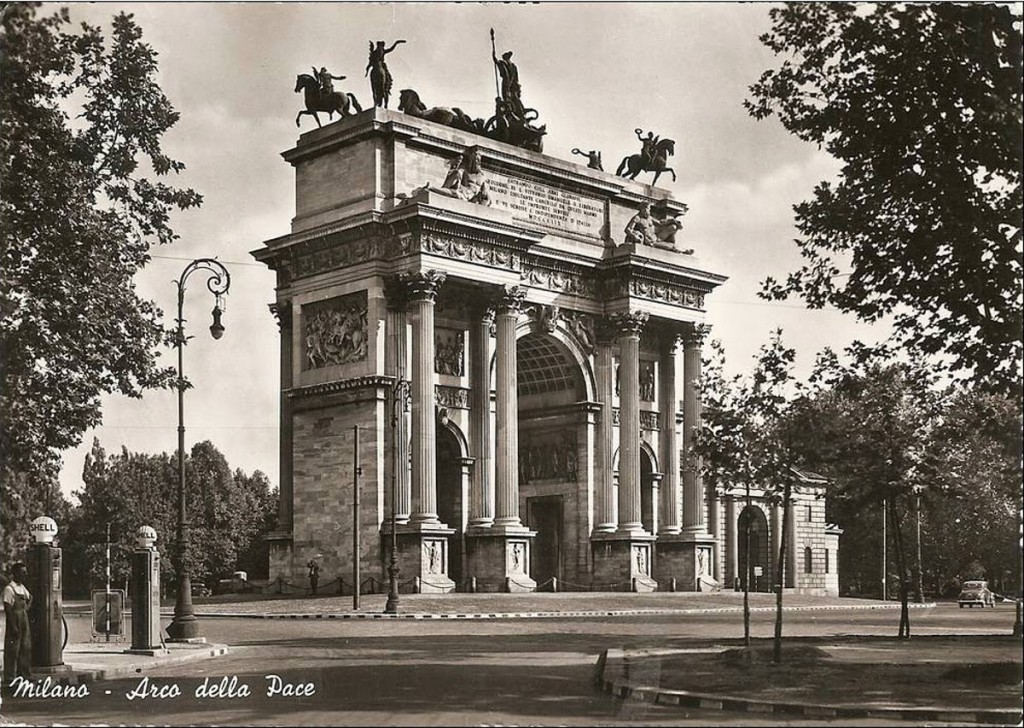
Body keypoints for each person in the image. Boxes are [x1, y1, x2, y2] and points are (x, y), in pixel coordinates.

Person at [3, 562, 32, 689]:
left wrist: (27, 608)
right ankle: (10, 676)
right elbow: (8, 607)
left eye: (25, 573)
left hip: (23, 617)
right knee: (12, 649)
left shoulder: (22, 587)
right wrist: (13, 625)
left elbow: (30, 597)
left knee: (25, 647)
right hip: (14, 618)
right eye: (22, 573)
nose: (24, 575)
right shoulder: (10, 588)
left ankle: (24, 674)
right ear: (15, 574)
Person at [365, 39, 406, 108]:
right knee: (378, 89)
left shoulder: (377, 52)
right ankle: (379, 103)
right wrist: (396, 42)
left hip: (376, 70)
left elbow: (369, 64)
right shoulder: (379, 52)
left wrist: (396, 42)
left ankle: (380, 103)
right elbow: (369, 64)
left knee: (378, 89)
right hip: (377, 70)